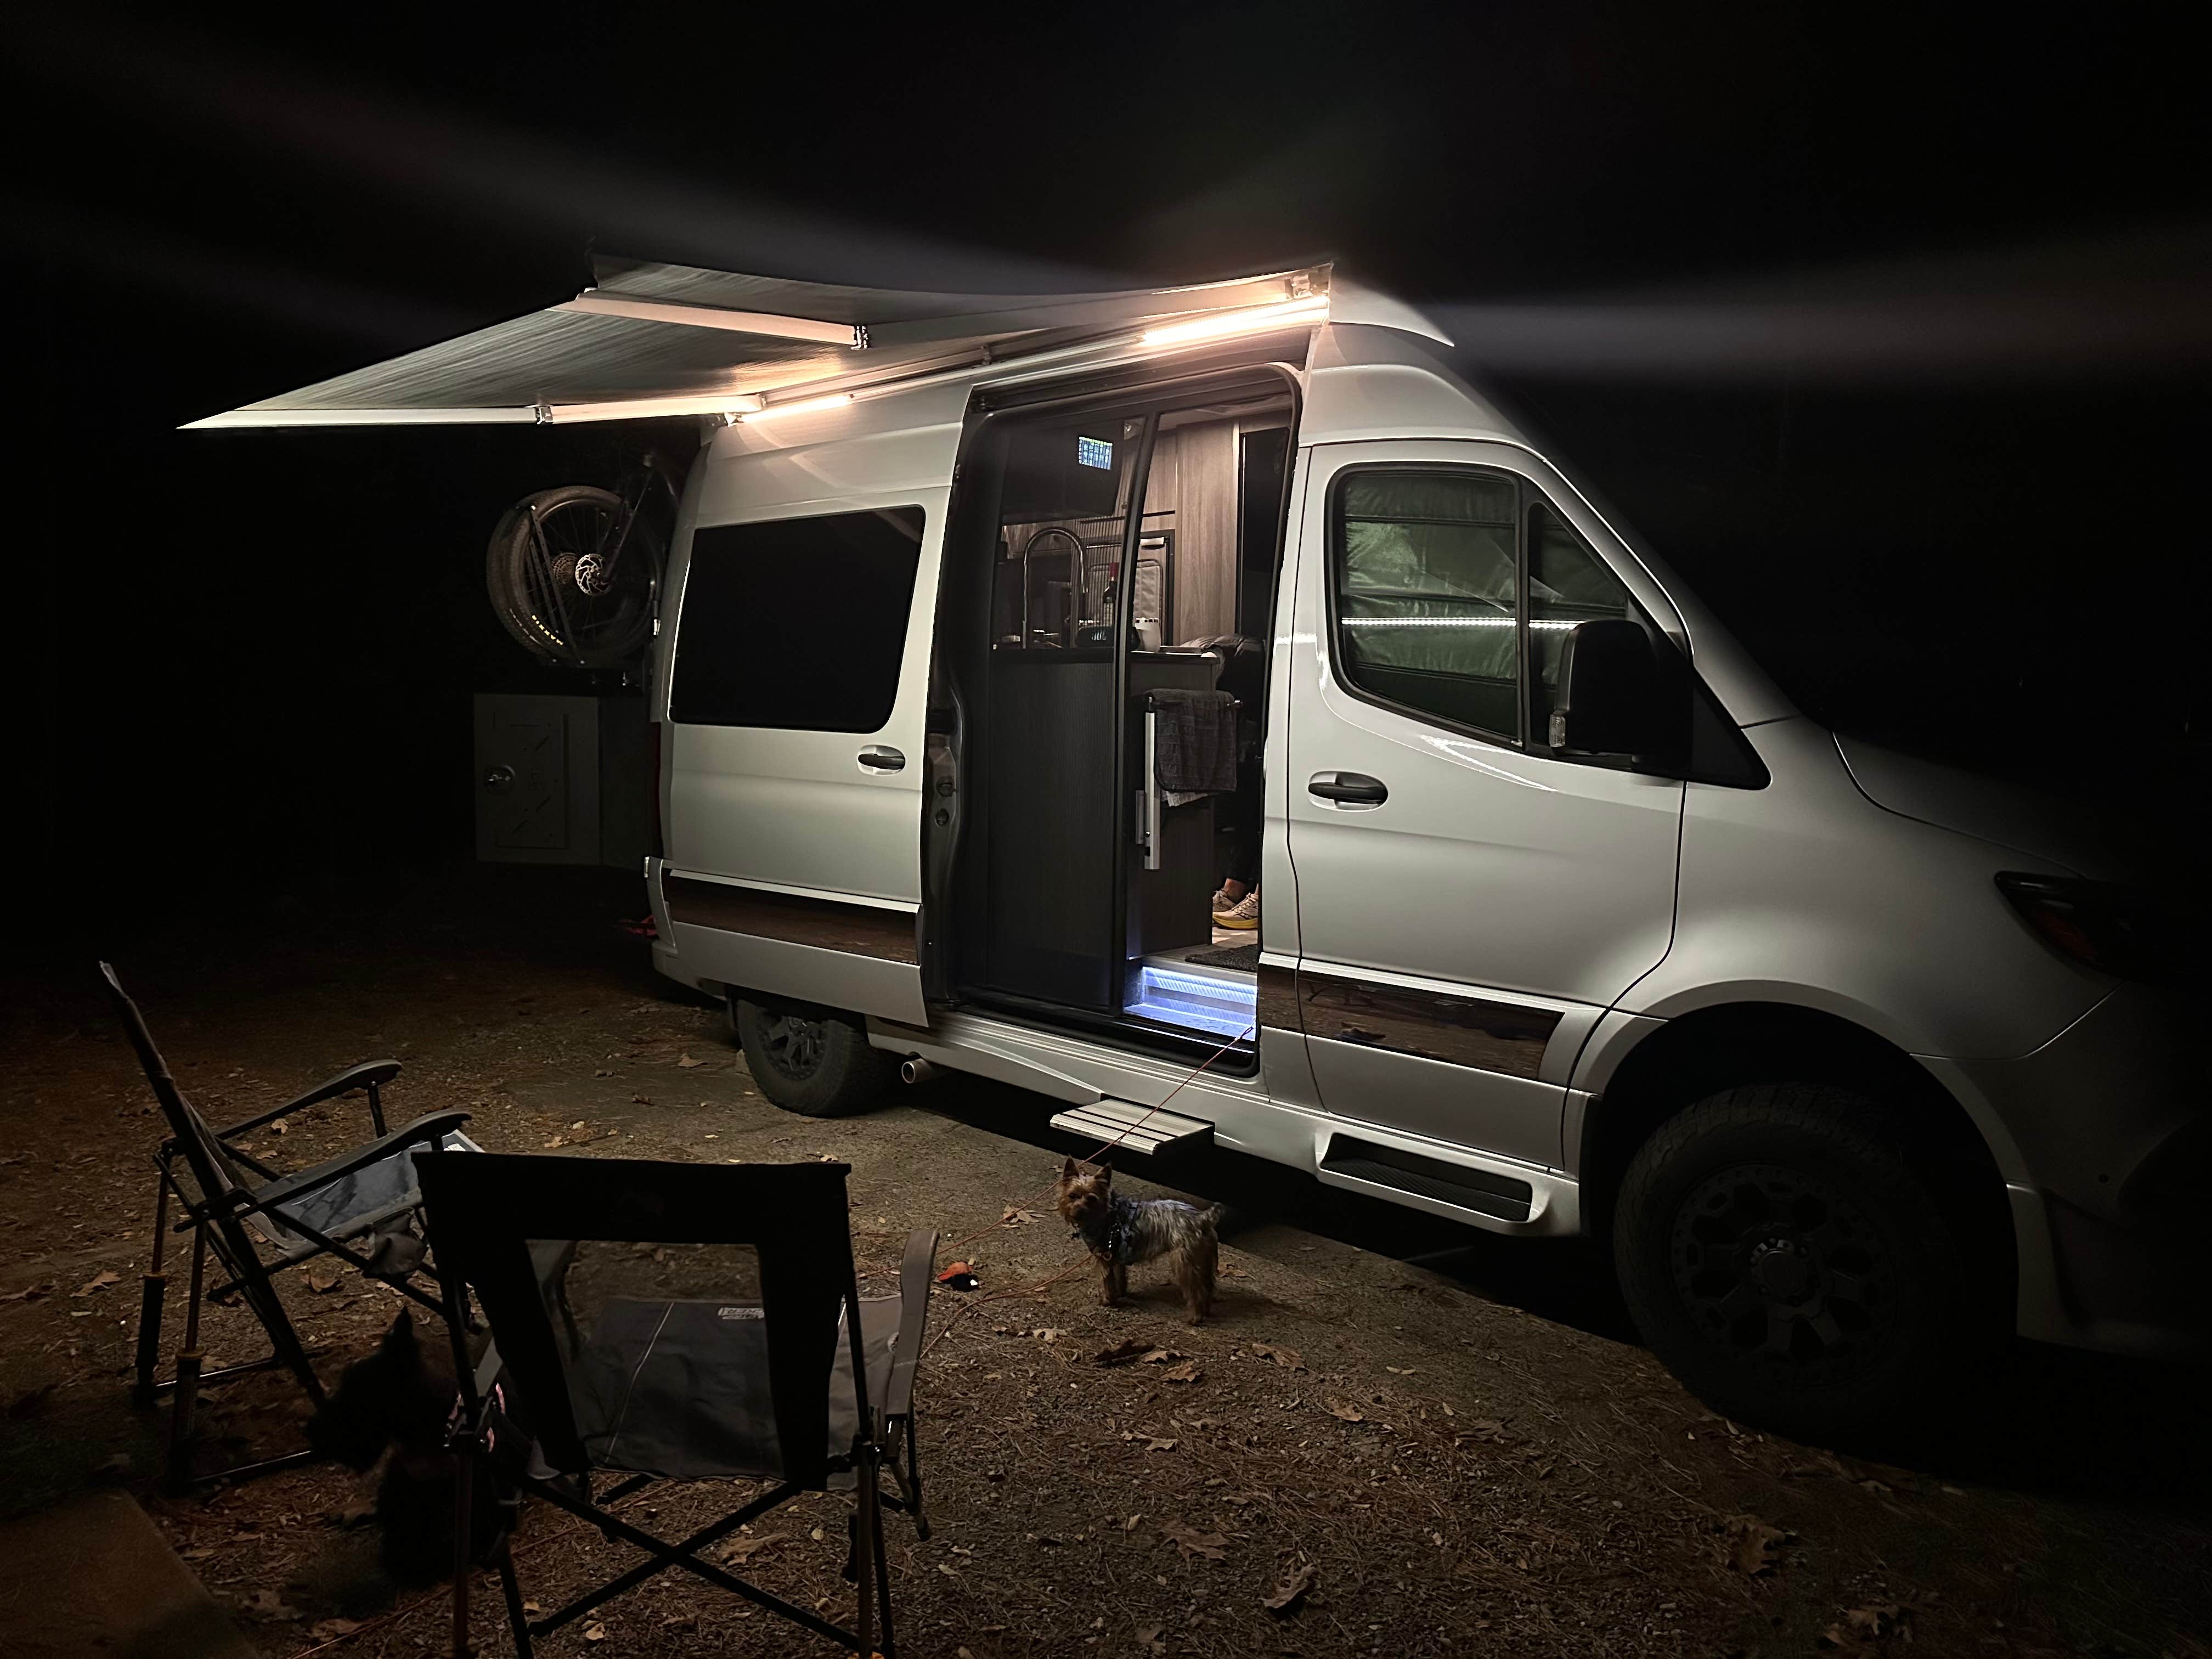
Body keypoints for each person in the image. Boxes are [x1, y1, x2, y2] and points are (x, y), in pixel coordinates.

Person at [1204, 635, 1265, 931]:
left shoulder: (1246, 659)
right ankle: (1234, 889)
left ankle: (1262, 893)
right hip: (1259, 737)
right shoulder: (1228, 657)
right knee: (1249, 809)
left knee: (1268, 816)